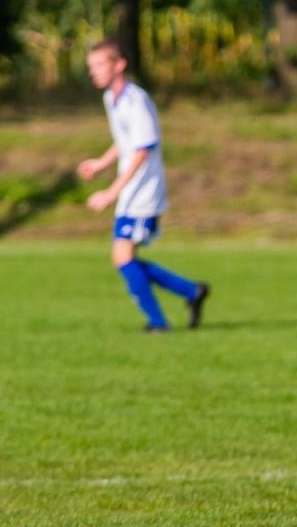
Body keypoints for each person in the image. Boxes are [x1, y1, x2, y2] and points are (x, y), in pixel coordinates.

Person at [76, 40, 209, 332]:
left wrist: (111, 191)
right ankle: (190, 292)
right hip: (130, 191)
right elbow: (126, 141)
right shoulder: (112, 99)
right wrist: (102, 162)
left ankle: (159, 321)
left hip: (144, 193)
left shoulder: (136, 101)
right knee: (124, 258)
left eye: (100, 65)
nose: (94, 72)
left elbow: (143, 148)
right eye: (91, 67)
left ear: (119, 65)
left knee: (122, 258)